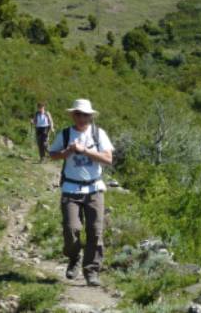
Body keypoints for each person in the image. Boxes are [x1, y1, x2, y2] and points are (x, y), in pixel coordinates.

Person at [49, 99, 114, 287]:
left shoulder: (98, 134)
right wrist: (67, 152)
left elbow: (108, 159)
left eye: (85, 114)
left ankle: (91, 271)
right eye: (78, 114)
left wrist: (84, 151)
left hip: (94, 188)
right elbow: (52, 154)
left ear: (91, 116)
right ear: (73, 115)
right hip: (71, 188)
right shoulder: (66, 133)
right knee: (71, 229)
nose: (82, 118)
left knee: (95, 231)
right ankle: (74, 258)